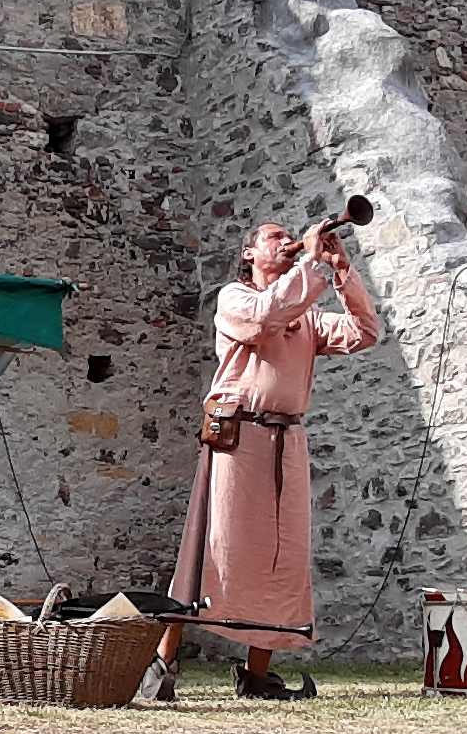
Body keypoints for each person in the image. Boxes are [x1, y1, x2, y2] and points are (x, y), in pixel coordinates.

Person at [141, 219, 379, 700]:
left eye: (288, 235)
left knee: (281, 557)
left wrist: (341, 270)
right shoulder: (235, 299)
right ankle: (162, 666)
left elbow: (365, 331)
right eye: (274, 236)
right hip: (236, 436)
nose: (285, 240)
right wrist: (311, 263)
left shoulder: (307, 314)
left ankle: (257, 674)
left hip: (286, 441)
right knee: (212, 547)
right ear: (249, 253)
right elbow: (265, 316)